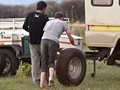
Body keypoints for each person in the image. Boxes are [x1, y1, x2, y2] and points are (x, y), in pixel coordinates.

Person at [40, 12, 78, 88]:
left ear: (54, 17)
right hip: (53, 41)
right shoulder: (63, 23)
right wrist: (73, 43)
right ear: (62, 18)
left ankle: (41, 83)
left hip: (43, 41)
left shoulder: (48, 22)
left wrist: (56, 48)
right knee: (51, 61)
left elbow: (47, 34)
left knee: (44, 62)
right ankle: (50, 78)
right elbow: (70, 37)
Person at [23, 1, 49, 85]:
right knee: (45, 60)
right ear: (44, 8)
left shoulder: (30, 15)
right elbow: (47, 29)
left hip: (32, 42)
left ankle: (36, 81)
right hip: (42, 42)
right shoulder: (45, 17)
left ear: (37, 7)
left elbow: (24, 26)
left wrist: (30, 31)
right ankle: (47, 78)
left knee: (35, 62)